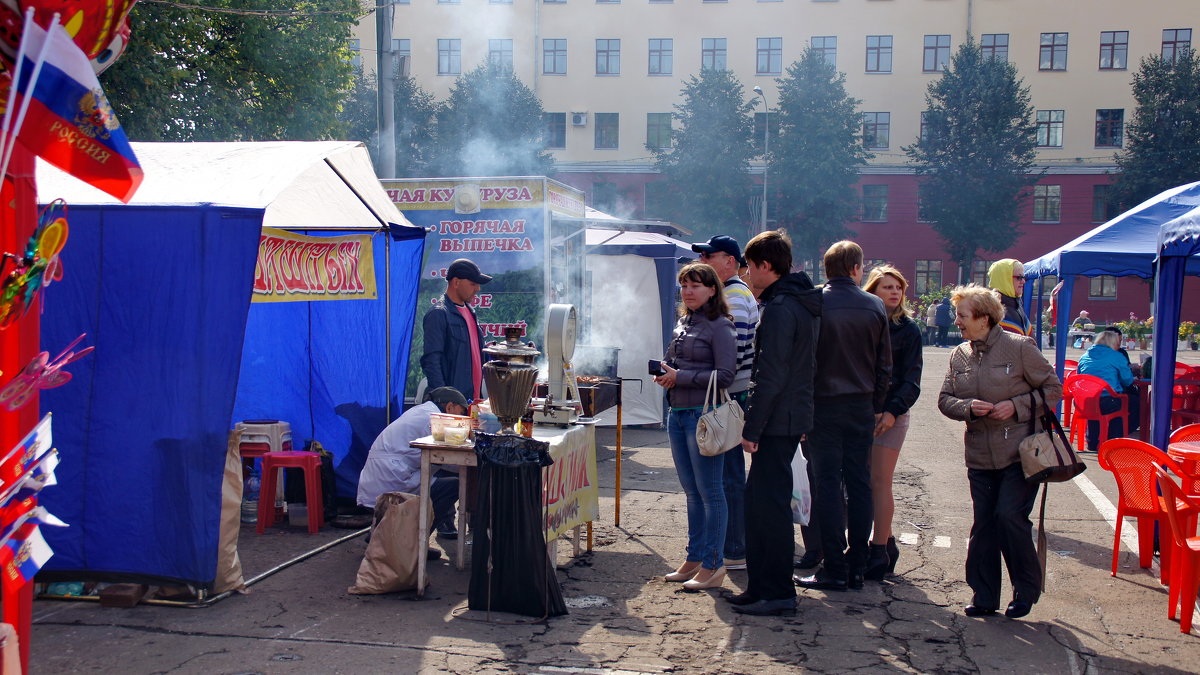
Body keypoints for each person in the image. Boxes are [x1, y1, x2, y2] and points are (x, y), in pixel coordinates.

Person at [938, 285, 1062, 619]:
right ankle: (984, 595)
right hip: (979, 455)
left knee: (1009, 517)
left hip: (1021, 453)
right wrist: (966, 407)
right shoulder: (959, 354)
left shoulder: (1020, 347)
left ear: (984, 318)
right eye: (958, 315)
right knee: (984, 524)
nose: (957, 321)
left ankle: (1024, 590)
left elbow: (1053, 390)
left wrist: (1015, 406)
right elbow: (945, 399)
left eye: (963, 315)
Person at [728, 229, 821, 616]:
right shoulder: (792, 302)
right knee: (760, 505)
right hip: (786, 416)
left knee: (769, 508)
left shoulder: (784, 307)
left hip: (777, 420)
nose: (748, 274)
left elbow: (773, 374)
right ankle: (762, 586)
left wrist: (752, 427)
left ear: (767, 265)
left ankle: (777, 591)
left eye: (750, 266)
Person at [795, 241, 891, 593]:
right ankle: (857, 564)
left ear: (828, 267)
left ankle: (834, 566)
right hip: (861, 404)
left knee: (827, 485)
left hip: (823, 405)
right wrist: (878, 403)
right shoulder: (875, 305)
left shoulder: (815, 302)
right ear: (856, 268)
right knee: (859, 483)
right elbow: (885, 365)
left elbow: (805, 361)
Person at [655, 262, 736, 592]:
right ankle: (695, 557)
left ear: (712, 289)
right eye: (685, 285)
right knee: (692, 492)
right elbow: (677, 363)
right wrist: (666, 372)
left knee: (711, 492)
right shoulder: (683, 323)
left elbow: (726, 375)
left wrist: (681, 376)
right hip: (678, 413)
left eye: (696, 286)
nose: (688, 291)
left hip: (705, 418)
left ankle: (714, 564)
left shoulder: (720, 326)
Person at [692, 235, 759, 571]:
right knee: (726, 473)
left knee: (727, 475)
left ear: (730, 261)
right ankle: (733, 544)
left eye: (709, 255)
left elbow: (731, 355)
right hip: (729, 390)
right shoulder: (735, 292)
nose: (704, 260)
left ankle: (734, 548)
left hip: (728, 392)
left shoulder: (733, 295)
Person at [862, 265, 923, 580]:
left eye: (898, 287)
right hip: (859, 413)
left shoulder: (908, 329)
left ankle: (880, 548)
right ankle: (875, 545)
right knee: (858, 482)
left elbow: (912, 379)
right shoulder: (863, 324)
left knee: (879, 481)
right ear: (872, 291)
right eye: (887, 287)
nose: (895, 292)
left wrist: (891, 411)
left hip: (892, 415)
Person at [357, 387, 468, 541]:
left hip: (380, 475)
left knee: (442, 480)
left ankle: (385, 534)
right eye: (461, 412)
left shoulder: (419, 412)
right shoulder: (434, 419)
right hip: (393, 477)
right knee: (453, 486)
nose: (462, 418)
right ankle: (414, 543)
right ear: (449, 407)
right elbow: (448, 460)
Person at [421, 258, 492, 401]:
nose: (477, 288)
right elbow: (431, 361)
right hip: (452, 406)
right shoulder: (438, 314)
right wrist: (444, 401)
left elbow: (472, 355)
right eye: (473, 283)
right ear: (456, 282)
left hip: (471, 402)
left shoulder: (470, 312)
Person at [1076, 329, 1137, 451]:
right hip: (1108, 401)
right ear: (1113, 343)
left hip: (1084, 401)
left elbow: (1079, 376)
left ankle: (1093, 442)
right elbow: (1127, 381)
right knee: (1130, 402)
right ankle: (1114, 440)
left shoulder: (1084, 356)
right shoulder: (1117, 356)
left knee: (1095, 405)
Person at [987, 259, 1032, 336]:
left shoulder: (1016, 305)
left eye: (1024, 277)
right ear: (1004, 279)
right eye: (1019, 277)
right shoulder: (991, 309)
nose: (1023, 281)